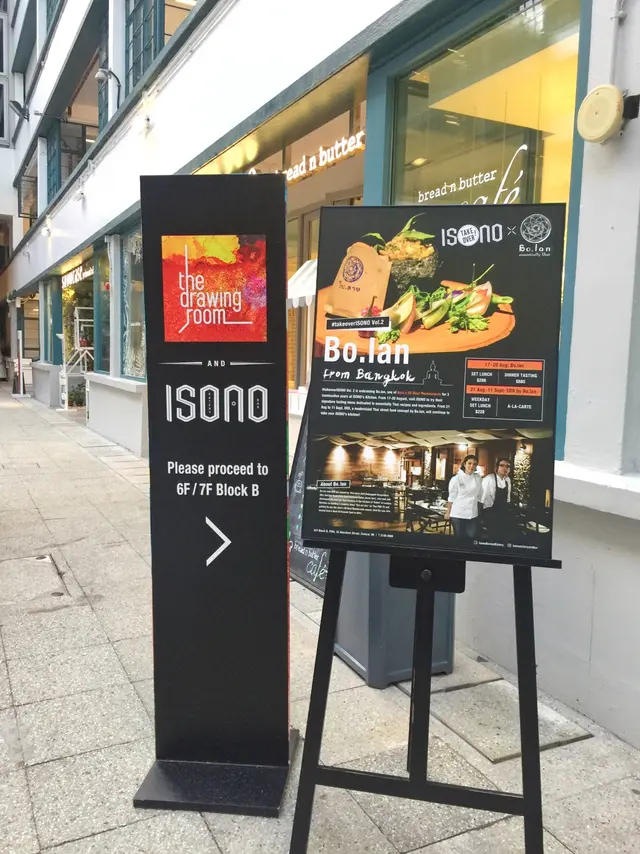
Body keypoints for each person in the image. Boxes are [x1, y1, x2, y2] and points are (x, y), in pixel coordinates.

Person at [444, 455, 483, 542]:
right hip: (458, 514)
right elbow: (451, 497)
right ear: (464, 464)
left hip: (472, 514)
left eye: (474, 464)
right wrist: (448, 512)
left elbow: (480, 495)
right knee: (459, 538)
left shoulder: (478, 478)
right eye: (469, 463)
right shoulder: (456, 479)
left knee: (471, 537)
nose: (472, 466)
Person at [481, 458, 513, 541]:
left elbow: (508, 499)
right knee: (493, 537)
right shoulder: (489, 479)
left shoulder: (508, 480)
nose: (505, 468)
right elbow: (481, 499)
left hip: (503, 513)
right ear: (497, 467)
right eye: (502, 465)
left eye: (507, 466)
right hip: (490, 513)